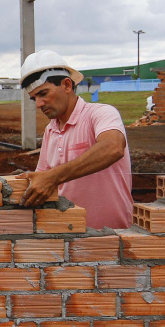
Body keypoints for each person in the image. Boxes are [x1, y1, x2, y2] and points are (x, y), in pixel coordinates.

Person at [18, 50, 133, 229]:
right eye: (34, 99)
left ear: (66, 85)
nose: (39, 104)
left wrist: (53, 177)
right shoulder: (51, 130)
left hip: (111, 237)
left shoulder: (100, 114)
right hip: (69, 237)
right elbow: (43, 178)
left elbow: (113, 147)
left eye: (43, 93)